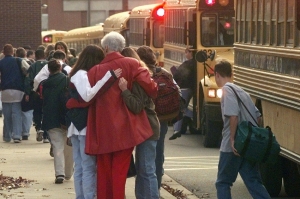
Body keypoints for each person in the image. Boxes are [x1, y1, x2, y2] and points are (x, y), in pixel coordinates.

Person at [85, 31, 157, 199]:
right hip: (125, 128)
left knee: (103, 171)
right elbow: (151, 87)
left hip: (101, 128)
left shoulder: (95, 70)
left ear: (106, 47)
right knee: (119, 170)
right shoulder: (132, 64)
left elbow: (86, 97)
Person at [66, 44, 122, 199]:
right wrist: (107, 78)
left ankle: (81, 196)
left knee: (80, 167)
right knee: (88, 167)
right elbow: (87, 95)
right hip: (83, 127)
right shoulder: (82, 75)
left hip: (76, 126)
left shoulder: (75, 73)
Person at [214, 60, 271, 199]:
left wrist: (233, 139)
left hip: (232, 146)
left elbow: (233, 116)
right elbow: (258, 117)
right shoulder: (241, 91)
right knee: (253, 181)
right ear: (231, 74)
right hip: (248, 145)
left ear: (216, 75)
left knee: (223, 182)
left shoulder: (227, 90)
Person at [120, 47, 160, 199]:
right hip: (146, 128)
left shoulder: (137, 81)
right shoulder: (142, 76)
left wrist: (124, 91)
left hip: (147, 128)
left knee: (146, 169)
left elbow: (136, 106)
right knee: (143, 168)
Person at [136, 45, 176, 190]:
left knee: (143, 157)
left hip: (145, 118)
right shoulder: (165, 73)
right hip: (163, 118)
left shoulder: (141, 73)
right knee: (158, 155)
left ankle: (146, 189)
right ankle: (156, 187)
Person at [42, 59, 73, 184]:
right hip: (66, 119)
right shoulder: (67, 80)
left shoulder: (45, 84)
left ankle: (59, 173)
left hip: (51, 119)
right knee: (69, 147)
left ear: (49, 70)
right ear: (60, 68)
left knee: (57, 146)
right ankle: (68, 172)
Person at [0, 44, 30, 143]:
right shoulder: (19, 61)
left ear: (3, 52)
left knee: (7, 115)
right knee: (16, 114)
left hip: (5, 91)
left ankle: (7, 136)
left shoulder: (1, 62)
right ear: (13, 52)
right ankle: (17, 135)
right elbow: (28, 71)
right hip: (18, 90)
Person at [169, 47, 197, 140]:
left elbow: (177, 75)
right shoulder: (196, 63)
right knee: (182, 108)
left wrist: (174, 73)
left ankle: (177, 130)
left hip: (184, 88)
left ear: (190, 53)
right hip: (191, 88)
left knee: (180, 109)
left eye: (186, 53)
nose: (186, 55)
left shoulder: (187, 64)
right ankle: (177, 130)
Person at [24, 49, 49, 143]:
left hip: (36, 93)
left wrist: (27, 93)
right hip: (47, 93)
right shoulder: (49, 65)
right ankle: (46, 135)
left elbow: (28, 80)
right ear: (44, 55)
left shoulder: (33, 66)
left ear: (36, 56)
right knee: (46, 113)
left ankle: (39, 128)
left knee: (37, 111)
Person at [15, 47, 34, 141]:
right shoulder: (30, 63)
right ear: (25, 54)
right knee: (27, 111)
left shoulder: (14, 63)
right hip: (26, 90)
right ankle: (26, 132)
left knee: (17, 111)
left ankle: (18, 131)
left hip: (16, 89)